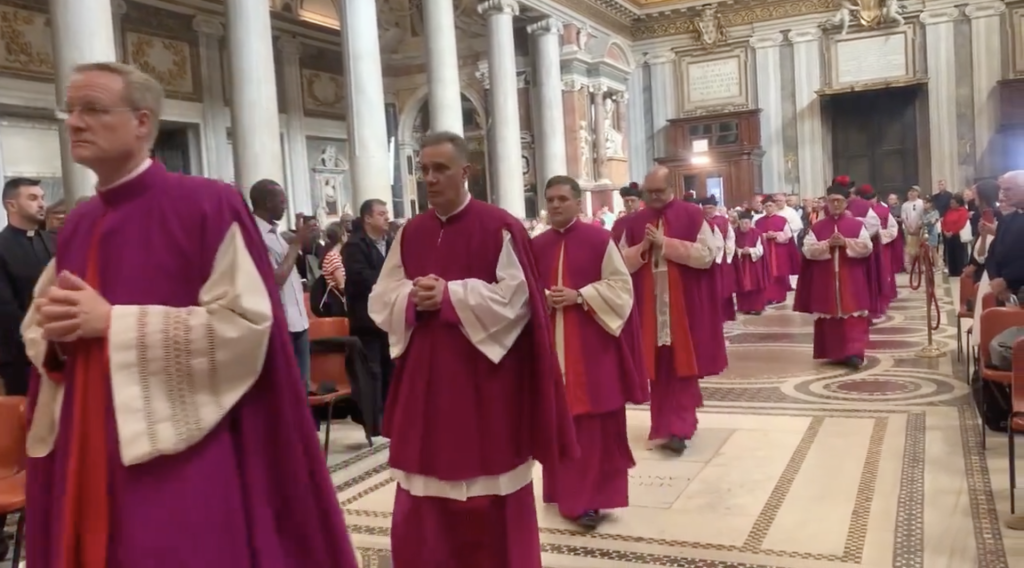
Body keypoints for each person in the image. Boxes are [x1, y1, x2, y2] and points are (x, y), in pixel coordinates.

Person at [21, 61, 357, 567]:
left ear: (141, 120)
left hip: (179, 452)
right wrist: (55, 331)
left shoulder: (207, 205)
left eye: (91, 109)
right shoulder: (78, 223)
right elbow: (46, 329)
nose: (74, 122)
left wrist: (114, 323)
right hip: (90, 443)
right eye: (69, 110)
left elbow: (248, 328)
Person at [366, 131, 576, 568]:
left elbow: (517, 300)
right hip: (426, 377)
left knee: (489, 486)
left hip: (484, 380)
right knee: (425, 487)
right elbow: (380, 298)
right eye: (423, 169)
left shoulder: (499, 226)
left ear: (465, 172)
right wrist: (411, 296)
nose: (430, 178)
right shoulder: (411, 233)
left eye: (440, 169)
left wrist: (451, 296)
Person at [532, 175, 648, 530]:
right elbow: (521, 293)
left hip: (593, 350)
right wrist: (543, 300)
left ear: (578, 203)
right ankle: (565, 492)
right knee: (560, 423)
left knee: (593, 426)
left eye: (562, 199)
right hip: (552, 349)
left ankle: (591, 499)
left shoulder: (599, 240)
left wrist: (580, 296)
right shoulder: (537, 246)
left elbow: (620, 288)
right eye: (550, 199)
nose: (555, 205)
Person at [619, 166, 726, 455]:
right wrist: (643, 247)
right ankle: (662, 426)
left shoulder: (692, 215)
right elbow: (617, 263)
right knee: (658, 367)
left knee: (682, 365)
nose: (654, 197)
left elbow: (708, 254)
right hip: (648, 304)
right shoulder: (633, 222)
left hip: (685, 305)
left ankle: (680, 427)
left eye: (659, 192)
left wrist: (664, 244)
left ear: (671, 190)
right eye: (649, 192)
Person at [793, 178, 873, 368]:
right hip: (825, 278)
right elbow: (808, 250)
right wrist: (828, 244)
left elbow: (867, 247)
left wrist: (846, 243)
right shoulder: (818, 227)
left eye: (839, 201)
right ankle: (834, 352)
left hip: (851, 278)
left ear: (846, 203)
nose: (836, 204)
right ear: (827, 203)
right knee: (829, 315)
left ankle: (854, 353)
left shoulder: (856, 225)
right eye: (832, 200)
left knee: (852, 315)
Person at [250, 179, 313, 395]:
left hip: (299, 322)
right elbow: (275, 279)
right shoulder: (254, 235)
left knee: (301, 388)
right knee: (285, 391)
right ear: (268, 202)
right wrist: (297, 243)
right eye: (282, 201)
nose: (285, 206)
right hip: (280, 325)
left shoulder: (275, 233)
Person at [0, 177, 53, 398]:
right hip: (20, 356)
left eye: (42, 198)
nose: (42, 204)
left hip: (61, 349)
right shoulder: (2, 248)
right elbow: (5, 309)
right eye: (32, 198)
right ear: (12, 205)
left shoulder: (55, 242)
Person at [341, 198, 394, 403]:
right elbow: (364, 279)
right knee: (373, 373)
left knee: (391, 370)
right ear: (367, 218)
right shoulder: (354, 246)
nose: (387, 217)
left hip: (389, 318)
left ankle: (391, 422)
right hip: (367, 320)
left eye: (386, 213)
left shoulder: (390, 242)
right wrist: (392, 281)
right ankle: (375, 424)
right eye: (381, 214)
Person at [847, 183, 896, 320]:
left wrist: (879, 237)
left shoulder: (883, 210)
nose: (869, 201)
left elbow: (890, 228)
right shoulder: (854, 207)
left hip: (875, 246)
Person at [987, 171, 1024, 303]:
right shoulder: (1007, 219)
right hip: (1003, 292)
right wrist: (995, 279)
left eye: (1008, 189)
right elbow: (992, 253)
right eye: (1003, 190)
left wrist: (1006, 280)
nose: (1004, 194)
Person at [700, 196, 737, 321]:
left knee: (723, 287)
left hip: (721, 258)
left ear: (715, 208)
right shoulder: (700, 220)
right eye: (705, 208)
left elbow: (730, 238)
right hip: (704, 257)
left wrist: (727, 255)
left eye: (710, 208)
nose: (708, 211)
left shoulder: (723, 221)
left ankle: (725, 314)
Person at [754, 196, 793, 305]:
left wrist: (776, 235)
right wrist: (765, 235)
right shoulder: (758, 221)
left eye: (770, 205)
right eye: (766, 206)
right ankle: (768, 296)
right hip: (765, 250)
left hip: (779, 250)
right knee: (766, 272)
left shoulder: (782, 220)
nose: (768, 208)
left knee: (780, 272)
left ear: (775, 206)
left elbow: (788, 235)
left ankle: (779, 296)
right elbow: (755, 236)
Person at [734, 211, 768, 315]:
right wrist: (739, 251)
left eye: (747, 223)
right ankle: (744, 307)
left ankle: (757, 307)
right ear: (739, 222)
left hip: (754, 263)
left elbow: (761, 248)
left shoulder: (757, 233)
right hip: (740, 263)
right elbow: (731, 246)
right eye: (742, 223)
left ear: (750, 223)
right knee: (741, 284)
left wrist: (751, 251)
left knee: (756, 283)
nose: (745, 225)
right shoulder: (734, 232)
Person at [941, 193, 971, 277]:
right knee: (950, 253)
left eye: (953, 203)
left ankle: (959, 271)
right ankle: (952, 271)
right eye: (950, 203)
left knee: (959, 253)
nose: (951, 205)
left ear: (958, 203)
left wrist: (952, 232)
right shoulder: (949, 211)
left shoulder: (963, 211)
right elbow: (944, 221)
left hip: (957, 235)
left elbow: (961, 223)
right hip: (948, 235)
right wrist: (945, 231)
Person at [901, 186, 924, 269]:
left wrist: (918, 226)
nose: (911, 193)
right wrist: (909, 227)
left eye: (914, 191)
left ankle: (920, 265)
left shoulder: (921, 203)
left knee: (919, 247)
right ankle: (909, 265)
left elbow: (923, 216)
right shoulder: (905, 205)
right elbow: (904, 217)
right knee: (909, 247)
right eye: (910, 191)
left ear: (918, 193)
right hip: (908, 229)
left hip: (919, 229)